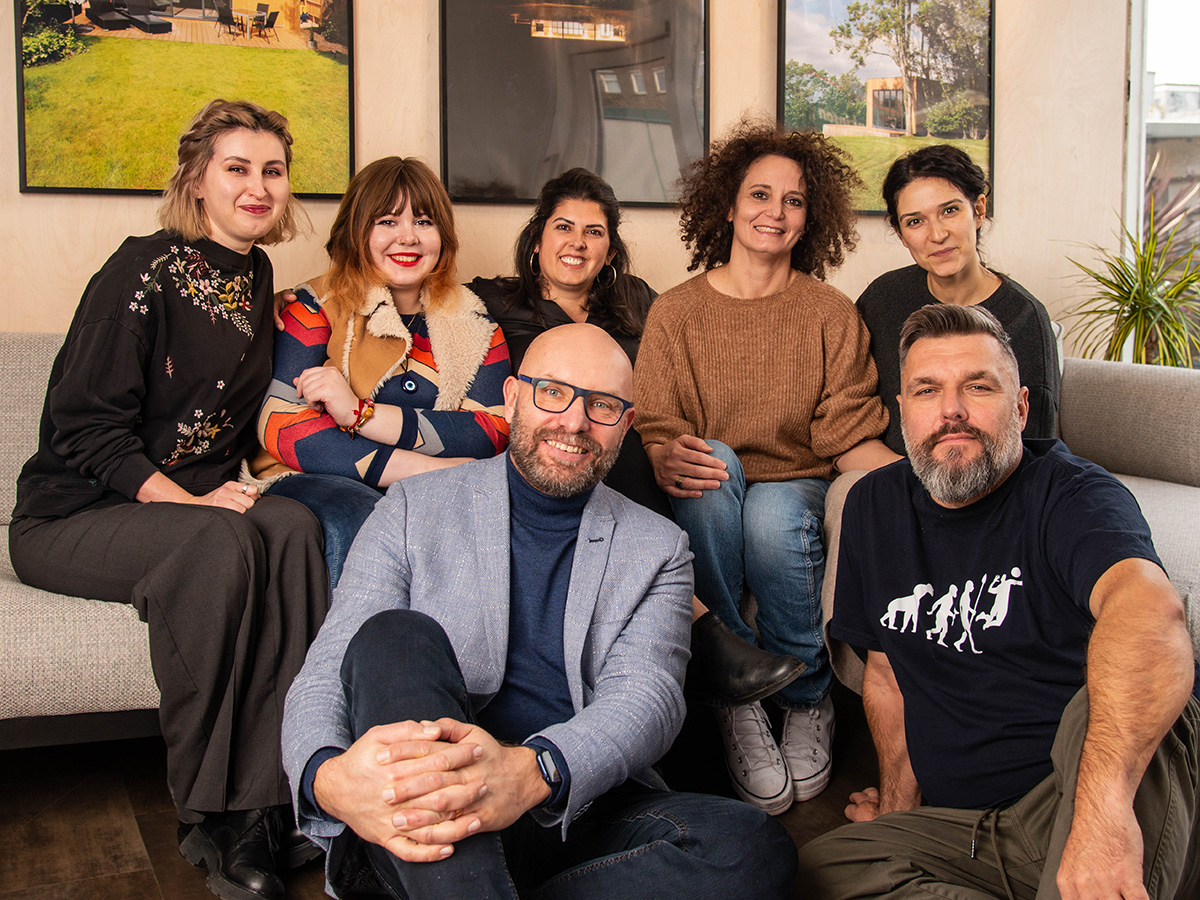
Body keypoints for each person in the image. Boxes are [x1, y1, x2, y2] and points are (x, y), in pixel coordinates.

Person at [281, 323, 799, 899]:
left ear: (626, 424)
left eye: (602, 406)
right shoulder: (411, 508)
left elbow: (647, 698)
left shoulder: (658, 547)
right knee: (391, 637)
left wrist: (534, 772)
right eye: (552, 392)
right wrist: (326, 778)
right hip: (431, 795)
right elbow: (328, 670)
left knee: (751, 847)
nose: (574, 422)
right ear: (511, 398)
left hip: (569, 802)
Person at [8, 99, 329, 900]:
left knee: (295, 525)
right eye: (237, 168)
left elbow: (227, 425)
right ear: (196, 180)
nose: (258, 187)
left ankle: (277, 796)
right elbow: (83, 427)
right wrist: (186, 503)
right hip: (74, 513)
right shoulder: (142, 269)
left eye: (273, 171)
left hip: (180, 505)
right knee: (218, 542)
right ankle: (212, 814)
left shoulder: (257, 278)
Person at [798, 303, 1200, 900]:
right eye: (927, 390)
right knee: (820, 868)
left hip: (1096, 790)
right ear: (902, 411)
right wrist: (898, 811)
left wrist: (1101, 820)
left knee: (1109, 700)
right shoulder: (872, 506)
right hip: (977, 833)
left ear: (1021, 407)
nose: (951, 410)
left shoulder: (1074, 495)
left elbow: (1148, 611)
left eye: (978, 386)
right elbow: (887, 675)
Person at [634, 121, 900, 814]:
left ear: (811, 218)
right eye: (760, 194)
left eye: (794, 200)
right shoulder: (675, 313)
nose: (775, 212)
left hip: (798, 483)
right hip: (708, 486)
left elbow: (846, 431)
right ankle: (737, 696)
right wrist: (661, 453)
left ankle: (808, 697)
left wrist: (922, 487)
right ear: (728, 204)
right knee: (715, 463)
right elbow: (657, 421)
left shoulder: (829, 313)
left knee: (774, 516)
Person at [470, 167, 804, 709]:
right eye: (563, 227)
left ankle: (714, 656)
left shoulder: (638, 302)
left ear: (610, 249)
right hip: (549, 449)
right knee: (604, 437)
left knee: (689, 456)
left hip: (627, 441)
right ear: (536, 241)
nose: (577, 242)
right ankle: (710, 634)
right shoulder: (489, 301)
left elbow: (678, 379)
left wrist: (663, 441)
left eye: (594, 232)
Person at [250, 156, 510, 588]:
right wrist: (426, 470)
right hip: (311, 481)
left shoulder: (477, 324)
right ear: (357, 230)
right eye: (387, 221)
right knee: (365, 516)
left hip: (431, 491)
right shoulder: (314, 305)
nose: (408, 236)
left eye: (424, 222)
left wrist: (359, 414)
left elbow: (491, 431)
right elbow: (282, 423)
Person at [857, 143, 1060, 455]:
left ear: (978, 210)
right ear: (900, 234)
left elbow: (1034, 447)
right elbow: (848, 407)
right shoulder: (882, 299)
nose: (937, 235)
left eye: (949, 211)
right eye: (915, 221)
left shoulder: (1025, 316)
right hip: (886, 469)